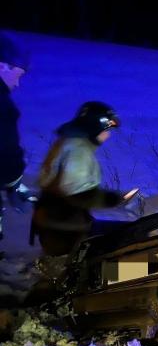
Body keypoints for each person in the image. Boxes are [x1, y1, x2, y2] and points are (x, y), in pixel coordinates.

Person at [32, 101, 134, 256]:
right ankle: (130, 274)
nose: (108, 135)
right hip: (65, 231)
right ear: (95, 126)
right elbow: (78, 194)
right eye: (107, 129)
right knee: (132, 238)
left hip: (56, 225)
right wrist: (114, 199)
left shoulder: (69, 143)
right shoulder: (78, 149)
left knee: (125, 234)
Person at [0, 32, 33, 240]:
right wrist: (15, 184)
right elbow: (6, 151)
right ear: (2, 66)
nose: (17, 84)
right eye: (18, 75)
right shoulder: (3, 106)